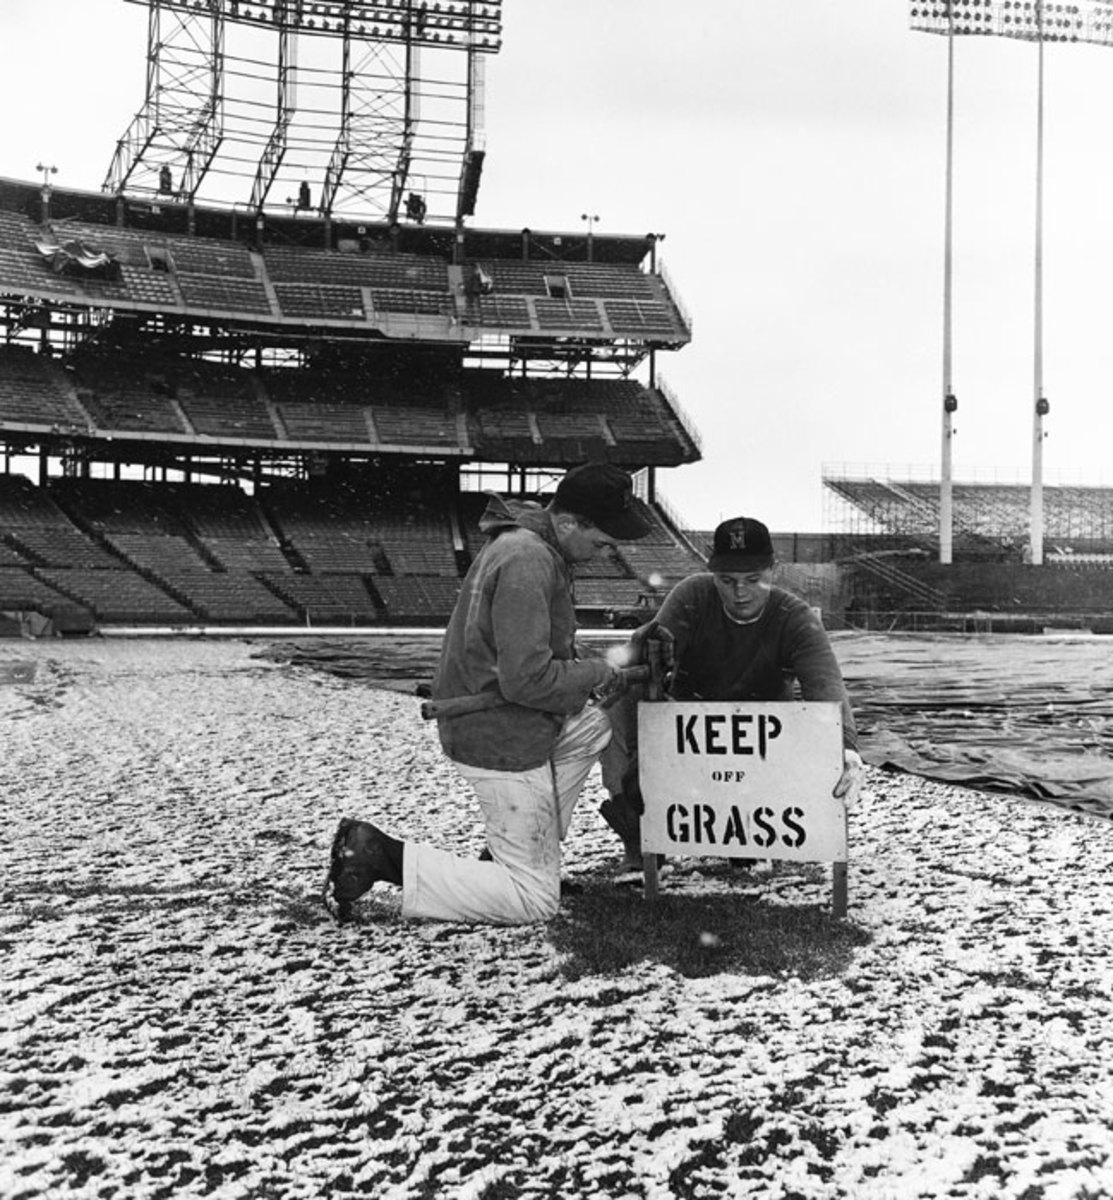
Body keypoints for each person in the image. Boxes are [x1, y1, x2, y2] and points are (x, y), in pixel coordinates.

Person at [323, 462, 652, 924]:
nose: (605, 552)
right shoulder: (528, 559)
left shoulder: (530, 545)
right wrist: (593, 671)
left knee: (593, 725)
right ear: (568, 522)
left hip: (496, 719)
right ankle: (380, 855)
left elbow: (527, 649)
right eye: (600, 540)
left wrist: (584, 665)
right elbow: (527, 681)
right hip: (499, 735)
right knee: (535, 903)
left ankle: (512, 858)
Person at [599, 515, 864, 864]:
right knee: (615, 708)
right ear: (712, 573)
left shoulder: (795, 616)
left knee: (744, 847)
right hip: (692, 729)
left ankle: (750, 831)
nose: (740, 592)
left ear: (774, 570)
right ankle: (639, 826)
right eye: (727, 580)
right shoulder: (692, 595)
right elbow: (644, 660)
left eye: (753, 579)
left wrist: (845, 747)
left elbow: (826, 684)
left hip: (761, 739)